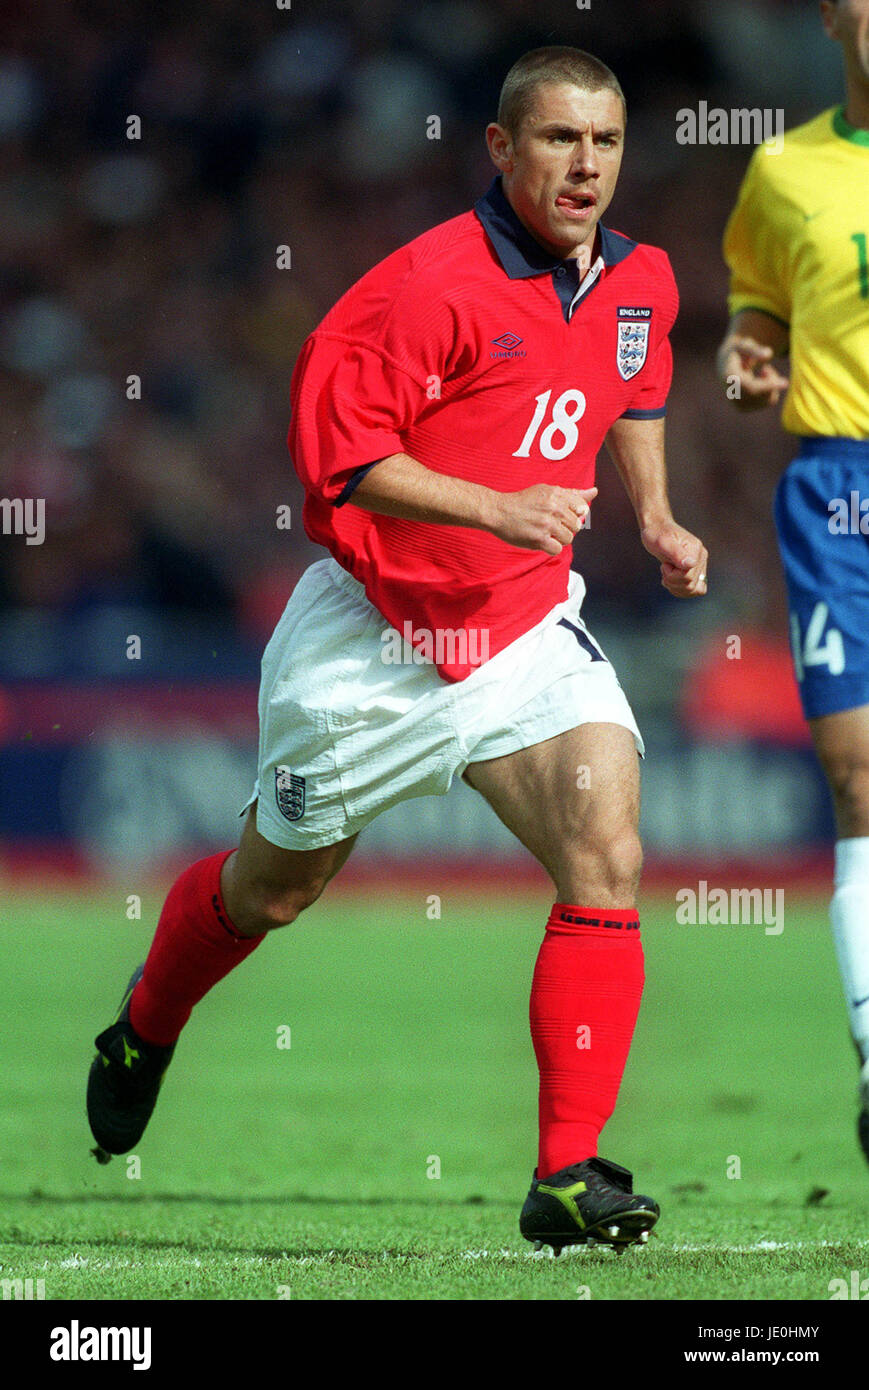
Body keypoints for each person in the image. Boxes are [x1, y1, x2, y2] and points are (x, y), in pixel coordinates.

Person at [88, 46, 708, 1254]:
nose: (583, 166)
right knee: (272, 888)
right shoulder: (419, 291)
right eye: (556, 140)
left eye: (604, 142)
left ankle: (565, 1175)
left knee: (606, 849)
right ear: (499, 147)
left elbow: (632, 388)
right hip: (373, 645)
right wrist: (497, 505)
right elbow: (341, 464)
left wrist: (654, 516)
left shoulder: (640, 282)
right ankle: (146, 1022)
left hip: (525, 630)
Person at [718, 2, 869, 1159]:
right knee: (857, 777)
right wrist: (746, 344)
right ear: (830, 13)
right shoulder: (782, 167)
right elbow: (756, 296)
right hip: (839, 493)